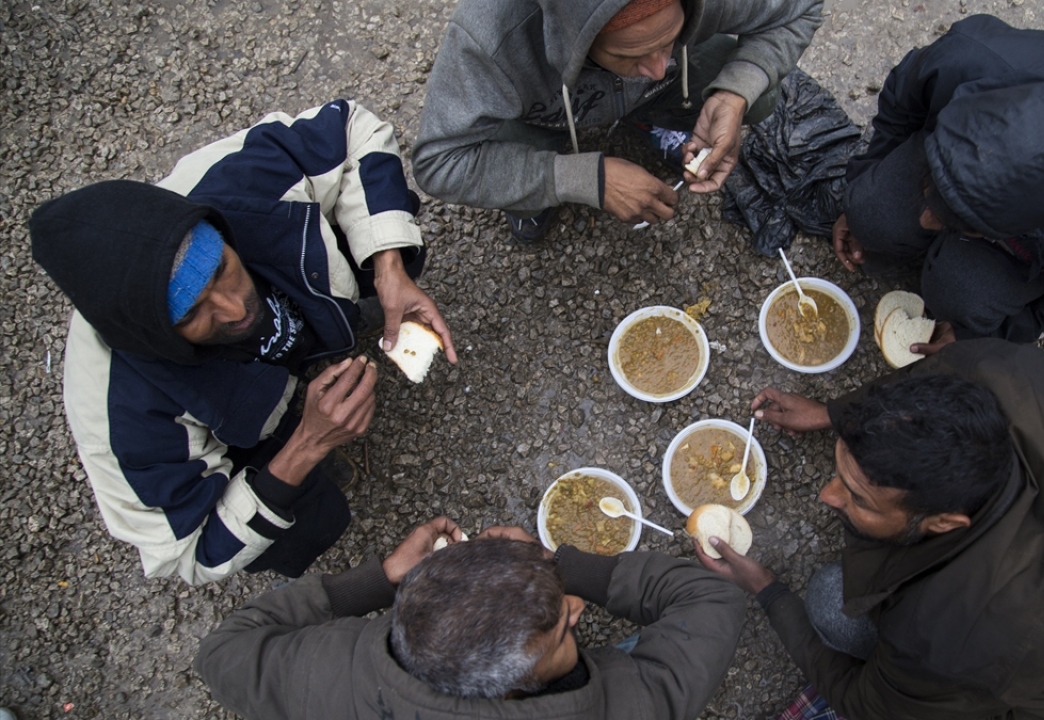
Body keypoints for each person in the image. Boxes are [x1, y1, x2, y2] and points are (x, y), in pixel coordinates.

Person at [29, 100, 457, 585]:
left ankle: (334, 321)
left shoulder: (239, 178)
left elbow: (352, 128)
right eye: (192, 313)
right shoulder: (124, 415)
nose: (234, 309)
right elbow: (189, 553)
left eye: (224, 270)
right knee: (304, 515)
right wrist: (304, 446)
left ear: (217, 229)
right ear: (152, 336)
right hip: (247, 437)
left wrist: (388, 265)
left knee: (386, 222)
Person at [696, 340, 1044, 719]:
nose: (827, 496)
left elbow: (866, 705)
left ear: (946, 523)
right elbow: (914, 390)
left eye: (858, 496)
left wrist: (766, 590)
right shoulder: (995, 368)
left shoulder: (955, 634)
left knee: (830, 601)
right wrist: (832, 415)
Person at [833, 15, 1044, 349]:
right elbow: (900, 107)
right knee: (870, 211)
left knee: (959, 298)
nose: (926, 219)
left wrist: (994, 333)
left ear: (1018, 228)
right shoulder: (965, 60)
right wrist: (865, 175)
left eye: (960, 223)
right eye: (934, 190)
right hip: (985, 122)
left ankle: (961, 265)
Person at [195, 518, 747, 720]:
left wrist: (382, 577)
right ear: (510, 689)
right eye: (562, 626)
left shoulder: (323, 672)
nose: (576, 611)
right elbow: (712, 601)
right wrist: (566, 568)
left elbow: (221, 653)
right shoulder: (626, 706)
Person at [412, 0, 822, 242]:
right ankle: (536, 185)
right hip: (543, 113)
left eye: (669, 41)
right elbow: (438, 162)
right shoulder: (492, 39)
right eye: (630, 55)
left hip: (632, 92)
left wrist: (735, 91)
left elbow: (802, 8)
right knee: (500, 158)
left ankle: (642, 117)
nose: (659, 69)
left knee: (761, 94)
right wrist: (581, 179)